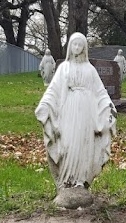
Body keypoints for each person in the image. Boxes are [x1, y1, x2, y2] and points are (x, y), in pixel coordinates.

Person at [35, 33, 116, 206]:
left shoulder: (90, 70)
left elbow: (100, 93)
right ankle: (66, 182)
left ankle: (81, 181)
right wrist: (44, 105)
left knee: (83, 144)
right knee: (68, 144)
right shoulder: (64, 67)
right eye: (74, 45)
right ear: (70, 47)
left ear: (85, 48)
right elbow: (53, 90)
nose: (77, 48)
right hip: (69, 111)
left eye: (80, 45)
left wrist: (109, 107)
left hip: (86, 112)